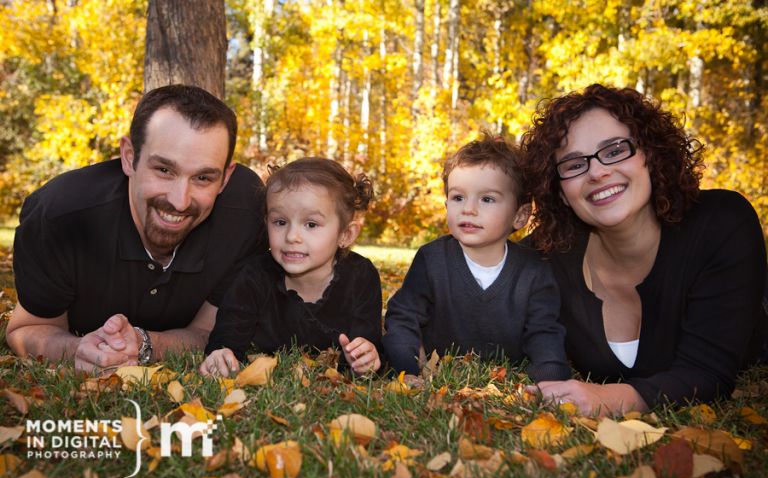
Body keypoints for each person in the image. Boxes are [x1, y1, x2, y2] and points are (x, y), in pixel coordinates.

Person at [521, 83, 766, 415]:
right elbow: (478, 277)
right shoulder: (551, 254)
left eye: (614, 150)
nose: (597, 172)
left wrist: (606, 399)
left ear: (649, 154)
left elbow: (708, 374)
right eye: (574, 164)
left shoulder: (721, 224)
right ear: (561, 191)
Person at [6, 84, 267, 373]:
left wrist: (144, 344)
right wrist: (78, 350)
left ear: (226, 178)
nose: (180, 202)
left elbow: (208, 331)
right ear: (129, 156)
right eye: (164, 170)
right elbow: (27, 330)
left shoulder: (246, 215)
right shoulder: (59, 215)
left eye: (204, 177)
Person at [382, 135, 572, 382]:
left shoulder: (533, 271)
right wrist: (406, 367)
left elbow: (545, 332)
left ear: (520, 215)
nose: (468, 209)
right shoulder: (433, 260)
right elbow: (403, 317)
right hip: (434, 370)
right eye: (458, 197)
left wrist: (550, 379)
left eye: (487, 199)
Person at [199, 157, 382, 377]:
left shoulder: (362, 277)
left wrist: (365, 359)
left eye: (311, 224)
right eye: (280, 222)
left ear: (345, 234)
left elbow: (367, 346)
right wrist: (221, 354)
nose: (292, 236)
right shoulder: (254, 276)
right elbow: (226, 337)